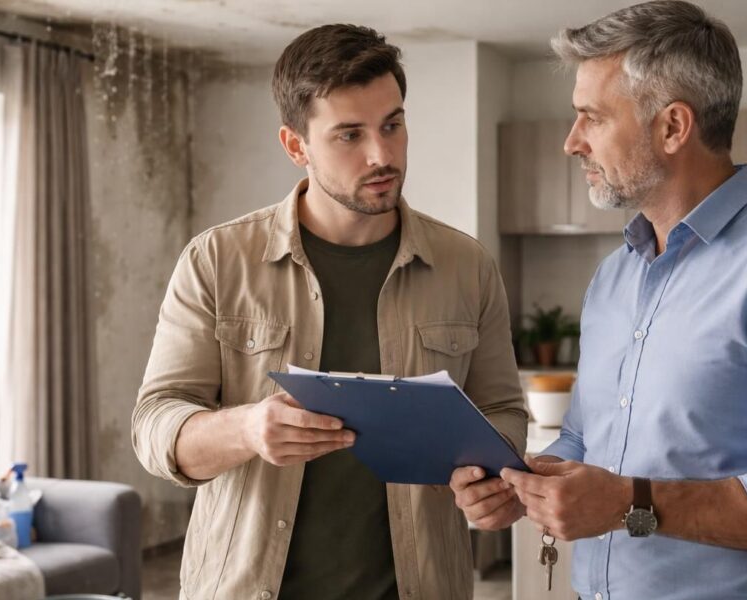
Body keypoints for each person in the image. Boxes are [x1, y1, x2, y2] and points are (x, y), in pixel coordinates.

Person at [501, 2, 747, 599]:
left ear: (673, 127)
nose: (571, 142)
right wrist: (521, 482)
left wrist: (633, 502)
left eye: (591, 118)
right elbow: (586, 438)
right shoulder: (613, 276)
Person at [132, 24, 528, 600]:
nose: (382, 154)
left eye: (392, 125)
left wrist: (498, 484)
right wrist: (246, 428)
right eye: (350, 135)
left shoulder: (467, 265)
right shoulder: (217, 261)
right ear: (297, 147)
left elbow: (503, 412)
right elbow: (154, 425)